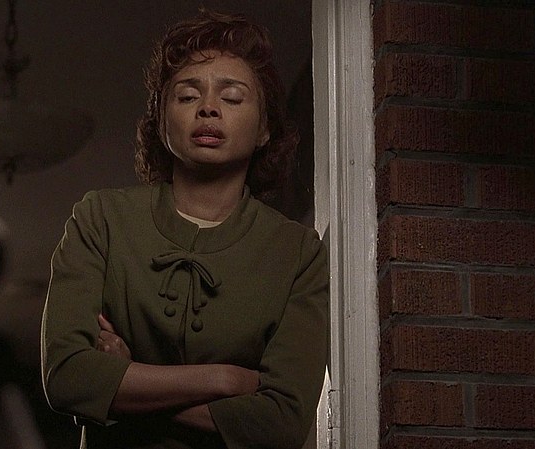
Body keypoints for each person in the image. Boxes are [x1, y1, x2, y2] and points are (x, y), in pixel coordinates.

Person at [41, 10, 329, 449]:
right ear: (161, 120)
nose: (208, 108)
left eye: (232, 98)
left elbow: (281, 421)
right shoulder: (101, 218)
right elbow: (66, 378)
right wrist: (226, 379)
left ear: (264, 128)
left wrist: (126, 383)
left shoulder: (297, 252)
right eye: (187, 95)